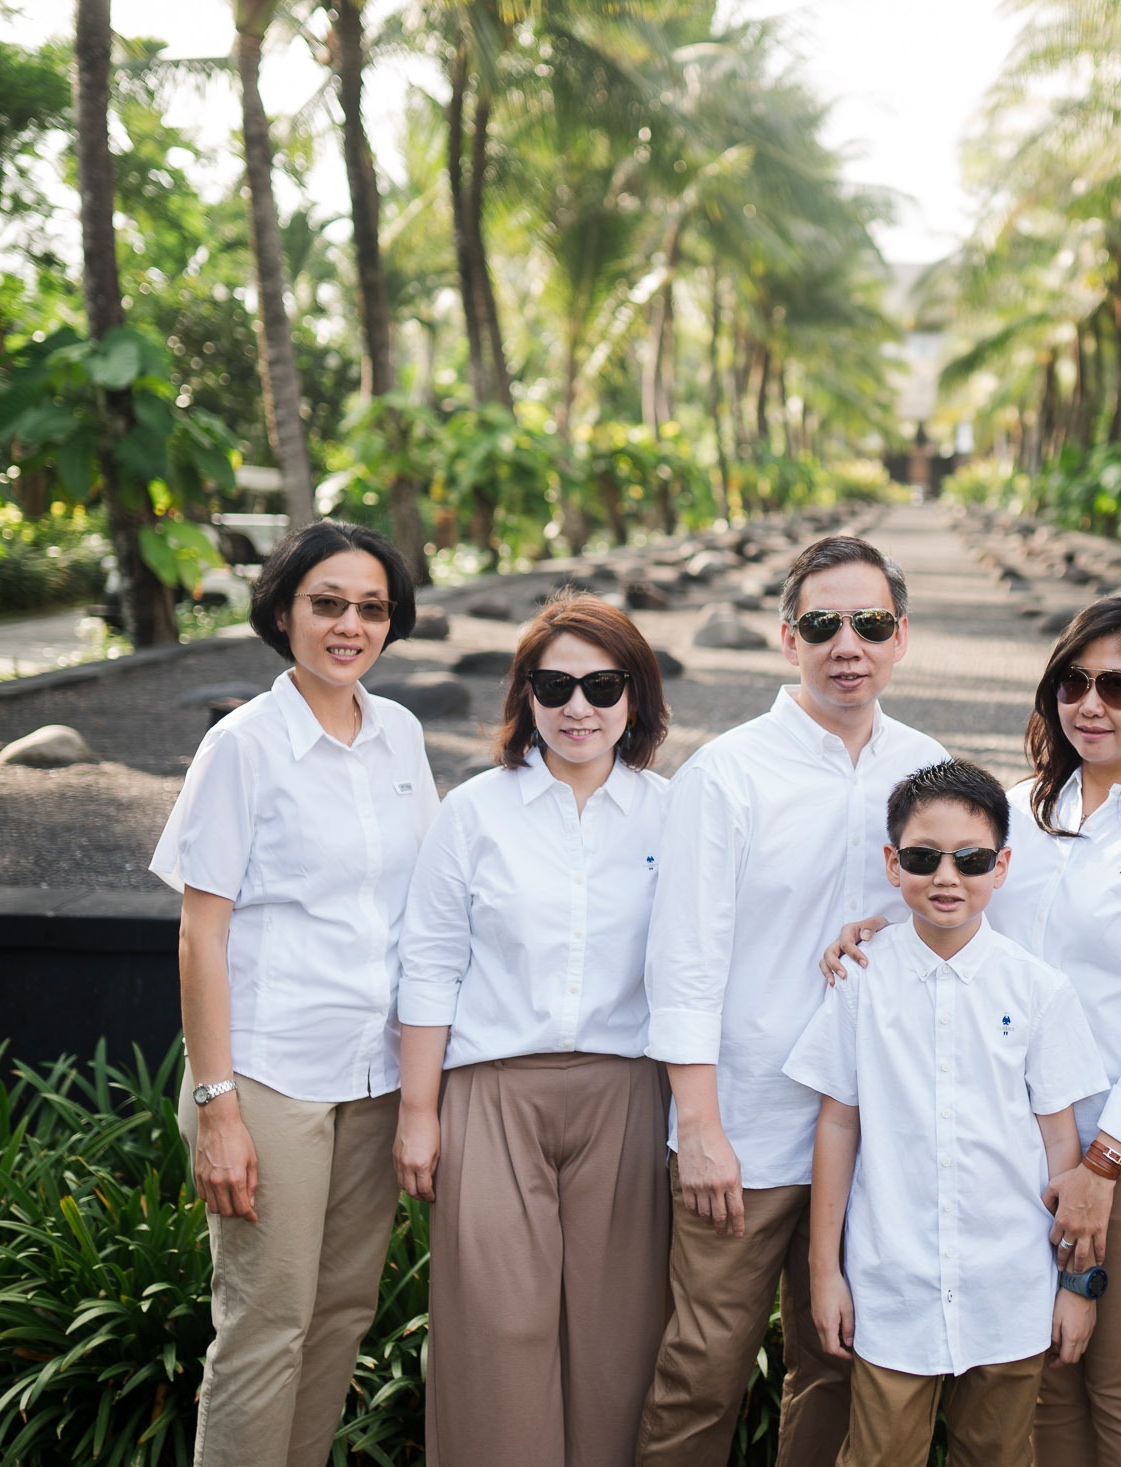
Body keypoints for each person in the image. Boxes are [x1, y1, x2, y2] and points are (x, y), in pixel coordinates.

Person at [823, 593, 1121, 1467]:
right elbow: (954, 911)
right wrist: (872, 930)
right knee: (1042, 1369)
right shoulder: (1015, 817)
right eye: (1073, 682)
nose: (1091, 704)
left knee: (1119, 1377)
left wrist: (1103, 1162)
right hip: (1022, 1140)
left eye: (1117, 686)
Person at [637, 534, 949, 1466]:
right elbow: (684, 960)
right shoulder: (727, 773)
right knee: (702, 1367)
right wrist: (698, 1125)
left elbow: (963, 927)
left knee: (839, 1369)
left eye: (870, 622)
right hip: (747, 1129)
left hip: (876, 1130)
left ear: (901, 638)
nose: (846, 642)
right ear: (788, 638)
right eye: (823, 623)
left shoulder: (930, 770)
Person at [150, 521, 434, 1467]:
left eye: (371, 608)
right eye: (328, 603)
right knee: (265, 1328)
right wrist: (216, 1105)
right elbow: (202, 931)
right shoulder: (242, 744)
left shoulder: (401, 733)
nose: (350, 625)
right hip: (268, 1078)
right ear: (283, 611)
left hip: (375, 1073)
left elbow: (426, 900)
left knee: (341, 1316)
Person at [394, 592, 673, 1465]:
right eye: (556, 685)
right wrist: (418, 1111)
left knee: (617, 1340)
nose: (579, 706)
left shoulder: (676, 813)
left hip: (626, 1092)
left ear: (635, 697)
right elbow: (431, 962)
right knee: (494, 1335)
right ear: (526, 694)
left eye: (602, 683)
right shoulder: (474, 811)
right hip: (492, 1094)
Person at [786, 759, 1111, 1467]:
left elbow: (1062, 1144)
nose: (945, 877)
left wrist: (1075, 1286)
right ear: (891, 861)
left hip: (1011, 1287)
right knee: (878, 1455)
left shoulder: (1037, 990)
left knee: (996, 1454)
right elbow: (838, 1123)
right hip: (891, 1284)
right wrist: (824, 1270)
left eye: (970, 859)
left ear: (1001, 864)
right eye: (922, 857)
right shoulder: (860, 981)